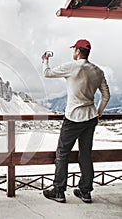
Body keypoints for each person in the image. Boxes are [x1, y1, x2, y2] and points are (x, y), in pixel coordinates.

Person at [41, 39, 110, 203]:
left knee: (62, 153)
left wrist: (45, 61)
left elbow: (47, 73)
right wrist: (98, 112)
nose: (73, 52)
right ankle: (85, 191)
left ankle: (59, 190)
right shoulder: (98, 71)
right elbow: (106, 96)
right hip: (90, 117)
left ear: (78, 51)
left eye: (74, 50)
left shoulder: (72, 67)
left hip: (73, 118)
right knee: (85, 154)